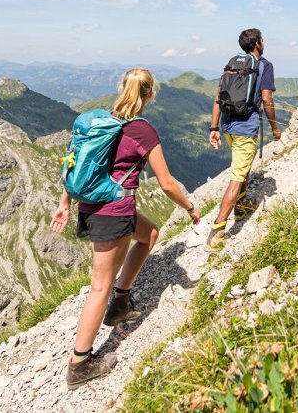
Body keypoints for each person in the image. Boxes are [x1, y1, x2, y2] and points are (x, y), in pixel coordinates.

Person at [49, 68, 201, 390]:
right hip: (113, 212)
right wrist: (189, 207)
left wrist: (65, 202)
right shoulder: (143, 131)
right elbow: (167, 183)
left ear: (122, 88)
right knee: (98, 287)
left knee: (150, 235)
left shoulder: (104, 120)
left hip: (96, 206)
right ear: (149, 94)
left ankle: (120, 304)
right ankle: (79, 364)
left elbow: (74, 161)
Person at [207, 28, 281, 250]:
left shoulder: (232, 65)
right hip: (244, 128)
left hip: (227, 126)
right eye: (262, 39)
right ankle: (217, 233)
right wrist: (275, 128)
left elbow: (219, 97)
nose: (264, 42)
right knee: (237, 177)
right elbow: (267, 99)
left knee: (244, 167)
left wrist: (214, 127)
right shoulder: (264, 65)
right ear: (257, 43)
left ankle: (241, 207)